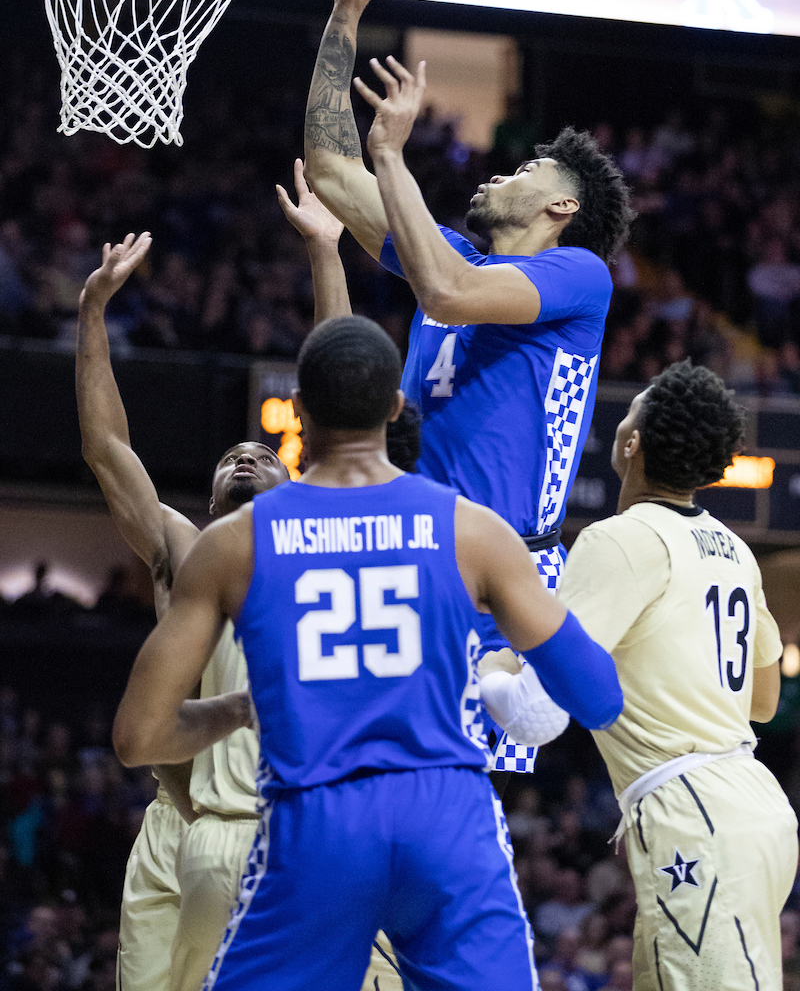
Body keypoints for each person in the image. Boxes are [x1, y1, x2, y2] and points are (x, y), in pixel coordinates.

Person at [112, 314, 624, 991]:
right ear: (394, 408)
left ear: (297, 414)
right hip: (448, 822)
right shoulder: (473, 531)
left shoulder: (235, 544)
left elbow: (138, 736)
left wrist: (236, 709)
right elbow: (597, 696)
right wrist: (504, 678)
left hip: (315, 823)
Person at [302, 0, 635, 777]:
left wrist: (393, 155)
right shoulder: (445, 253)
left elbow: (447, 292)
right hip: (406, 550)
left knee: (451, 805)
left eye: (524, 166)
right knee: (365, 783)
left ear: (561, 203)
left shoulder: (576, 276)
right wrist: (347, 10)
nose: (498, 173)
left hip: (501, 574)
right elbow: (328, 169)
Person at [76, 170, 356, 991]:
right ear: (206, 497)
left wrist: (324, 252)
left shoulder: (310, 533)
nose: (244, 455)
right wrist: (92, 313)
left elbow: (339, 383)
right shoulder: (184, 546)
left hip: (258, 818)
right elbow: (105, 450)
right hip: (171, 826)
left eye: (264, 454)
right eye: (232, 457)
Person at [550, 361, 797, 989]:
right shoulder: (735, 549)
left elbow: (550, 685)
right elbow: (763, 701)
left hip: (694, 814)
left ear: (632, 443)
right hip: (756, 805)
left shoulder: (618, 539)